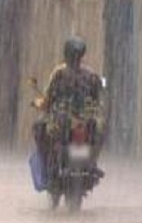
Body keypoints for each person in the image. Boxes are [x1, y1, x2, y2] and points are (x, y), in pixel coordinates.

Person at [33, 36, 106, 177]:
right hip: (84, 119)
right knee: (99, 130)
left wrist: (41, 104)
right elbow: (99, 98)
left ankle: (47, 165)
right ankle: (92, 162)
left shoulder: (59, 74)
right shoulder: (91, 75)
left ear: (66, 54)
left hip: (63, 119)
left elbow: (48, 97)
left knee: (39, 126)